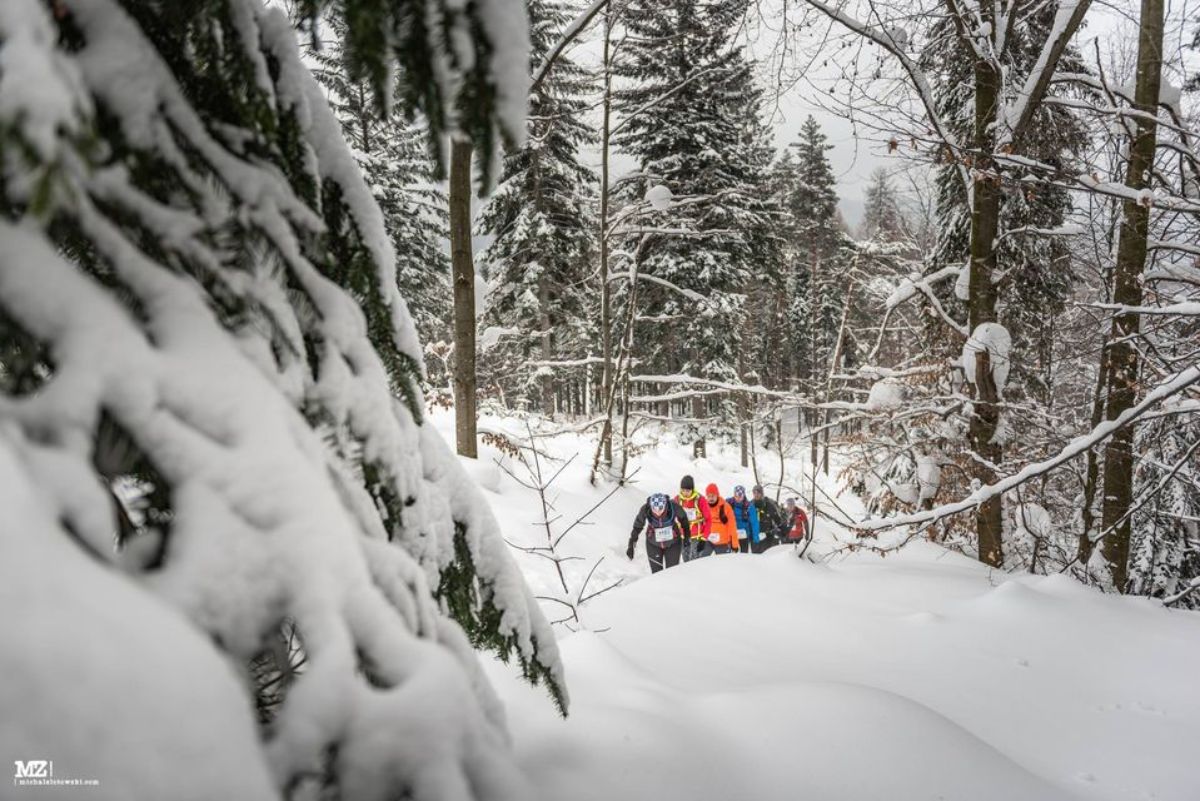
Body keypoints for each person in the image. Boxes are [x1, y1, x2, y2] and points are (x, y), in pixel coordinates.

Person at [626, 493, 689, 573]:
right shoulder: (645, 509)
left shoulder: (673, 507)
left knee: (672, 572)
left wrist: (687, 537)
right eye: (654, 509)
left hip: (673, 543)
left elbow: (684, 521)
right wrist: (631, 544)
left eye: (660, 508)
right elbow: (637, 526)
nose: (658, 512)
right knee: (657, 574)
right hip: (653, 544)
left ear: (665, 505)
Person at [675, 474, 711, 561]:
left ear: (692, 489)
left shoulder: (700, 500)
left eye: (688, 490)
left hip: (697, 537)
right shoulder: (678, 499)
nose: (685, 493)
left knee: (695, 561)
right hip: (684, 536)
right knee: (686, 560)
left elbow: (709, 519)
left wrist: (704, 538)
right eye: (683, 490)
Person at [703, 483, 740, 555]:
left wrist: (734, 544)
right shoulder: (704, 506)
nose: (711, 498)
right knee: (702, 561)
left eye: (713, 496)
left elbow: (732, 526)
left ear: (717, 495)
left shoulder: (726, 507)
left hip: (723, 542)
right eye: (709, 496)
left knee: (723, 564)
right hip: (708, 541)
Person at [750, 485, 785, 553]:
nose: (756, 495)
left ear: (762, 493)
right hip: (755, 536)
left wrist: (781, 533)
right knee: (755, 558)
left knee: (767, 557)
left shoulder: (769, 504)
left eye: (758, 493)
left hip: (768, 536)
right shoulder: (750, 505)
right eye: (754, 493)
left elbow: (778, 520)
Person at [728, 485, 761, 554]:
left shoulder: (749, 506)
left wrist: (756, 536)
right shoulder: (728, 503)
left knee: (744, 553)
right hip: (731, 533)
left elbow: (754, 522)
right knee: (731, 554)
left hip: (744, 533)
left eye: (740, 496)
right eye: (736, 496)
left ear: (743, 495)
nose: (738, 498)